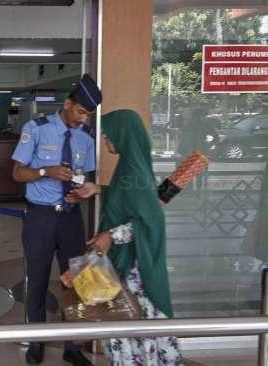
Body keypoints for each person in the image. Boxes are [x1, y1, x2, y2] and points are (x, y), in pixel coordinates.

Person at [73, 109, 184, 365]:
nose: (105, 140)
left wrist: (111, 236)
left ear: (123, 134)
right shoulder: (131, 165)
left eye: (107, 135)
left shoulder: (133, 170)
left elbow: (151, 220)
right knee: (129, 328)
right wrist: (99, 188)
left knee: (131, 325)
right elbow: (130, 198)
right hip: (129, 264)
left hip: (136, 272)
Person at [11, 74, 101, 366]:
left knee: (73, 282)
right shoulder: (36, 129)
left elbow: (84, 176)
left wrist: (80, 192)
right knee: (36, 281)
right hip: (40, 217)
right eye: (80, 112)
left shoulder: (85, 137)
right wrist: (44, 172)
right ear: (67, 104)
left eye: (87, 115)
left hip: (71, 219)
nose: (82, 119)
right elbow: (17, 173)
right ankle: (36, 341)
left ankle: (72, 346)